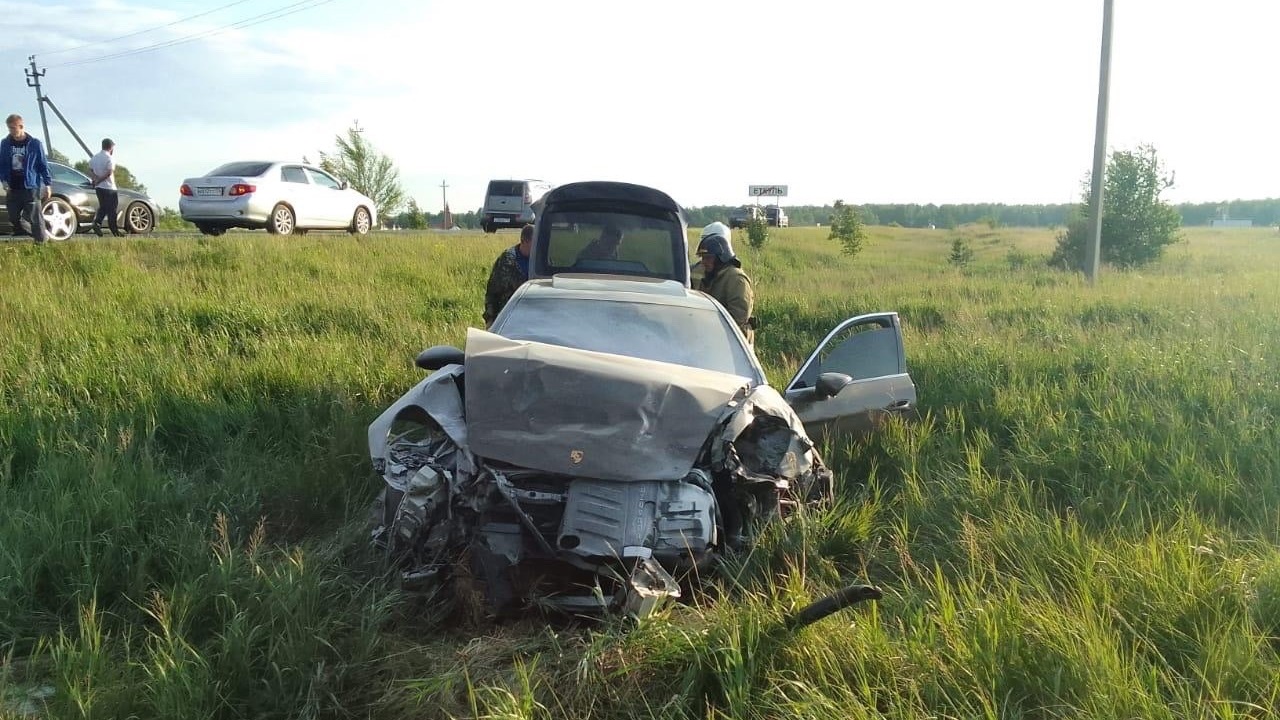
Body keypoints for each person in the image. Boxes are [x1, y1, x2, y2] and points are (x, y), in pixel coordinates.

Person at [696, 221, 756, 344]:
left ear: (720, 258)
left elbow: (738, 318)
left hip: (735, 343)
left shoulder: (737, 279)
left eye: (708, 258)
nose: (703, 262)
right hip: (715, 339)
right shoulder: (710, 276)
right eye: (702, 258)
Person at [0, 114, 53, 242]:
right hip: (13, 186)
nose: (11, 131)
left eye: (13, 128)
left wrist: (47, 184)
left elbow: (42, 165)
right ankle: (40, 235)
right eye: (9, 128)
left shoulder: (34, 143)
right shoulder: (5, 143)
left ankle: (41, 243)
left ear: (21, 126)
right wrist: (4, 180)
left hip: (30, 186)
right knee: (14, 217)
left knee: (36, 217)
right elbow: (1, 164)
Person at [483, 223, 534, 326]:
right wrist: (490, 319)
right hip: (507, 319)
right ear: (524, 241)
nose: (537, 246)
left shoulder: (541, 261)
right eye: (534, 243)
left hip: (532, 318)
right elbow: (493, 291)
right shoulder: (506, 261)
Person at [89, 137, 124, 237]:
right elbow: (109, 172)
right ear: (111, 147)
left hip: (99, 188)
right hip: (109, 187)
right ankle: (114, 230)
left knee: (103, 207)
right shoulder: (110, 158)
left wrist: (95, 179)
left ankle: (97, 222)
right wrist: (99, 179)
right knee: (112, 210)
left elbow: (90, 170)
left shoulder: (94, 158)